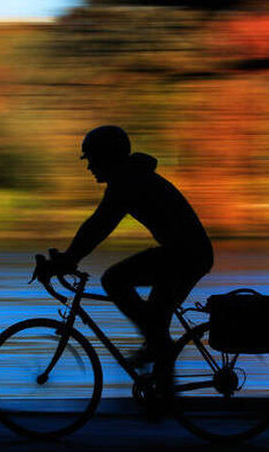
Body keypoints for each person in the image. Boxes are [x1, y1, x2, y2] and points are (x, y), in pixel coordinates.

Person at [45, 125, 213, 368]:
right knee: (157, 327)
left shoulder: (128, 181)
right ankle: (162, 394)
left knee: (114, 279)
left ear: (107, 156)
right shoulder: (130, 177)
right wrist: (70, 257)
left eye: (91, 158)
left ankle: (158, 349)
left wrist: (69, 259)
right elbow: (97, 225)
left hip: (185, 256)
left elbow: (99, 225)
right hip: (185, 255)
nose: (89, 166)